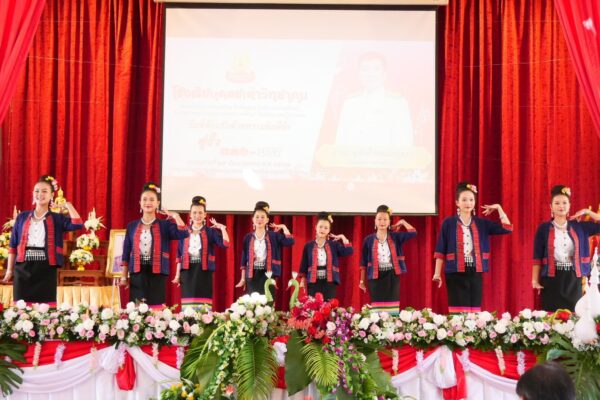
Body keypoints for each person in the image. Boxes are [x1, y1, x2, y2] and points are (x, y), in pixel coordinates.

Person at [3, 175, 83, 306]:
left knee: (46, 310)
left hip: (47, 268)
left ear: (52, 195)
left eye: (44, 191)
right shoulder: (22, 217)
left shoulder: (57, 218)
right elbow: (13, 245)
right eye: (37, 191)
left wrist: (67, 205)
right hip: (23, 268)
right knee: (22, 309)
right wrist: (9, 270)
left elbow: (78, 224)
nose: (40, 194)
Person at [433, 182, 512, 313]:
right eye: (464, 200)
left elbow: (507, 228)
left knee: (474, 310)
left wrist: (499, 208)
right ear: (457, 202)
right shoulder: (448, 223)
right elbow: (440, 250)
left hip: (475, 270)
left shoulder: (481, 223)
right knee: (457, 311)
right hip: (454, 272)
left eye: (471, 199)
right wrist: (437, 273)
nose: (468, 203)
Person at [119, 182, 189, 308]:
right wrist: (124, 277)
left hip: (158, 272)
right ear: (140, 203)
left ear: (157, 203)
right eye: (145, 199)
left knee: (156, 309)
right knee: (138, 310)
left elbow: (184, 233)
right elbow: (126, 252)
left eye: (152, 199)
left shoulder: (165, 225)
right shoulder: (132, 226)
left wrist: (175, 215)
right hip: (137, 273)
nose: (148, 202)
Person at [532, 185, 600, 311]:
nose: (561, 206)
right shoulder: (543, 229)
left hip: (574, 279)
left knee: (574, 315)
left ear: (569, 206)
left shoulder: (580, 227)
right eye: (557, 203)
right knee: (551, 316)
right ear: (551, 207)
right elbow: (537, 257)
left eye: (564, 203)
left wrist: (587, 212)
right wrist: (534, 281)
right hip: (551, 279)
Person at [336, 52, 413, 149]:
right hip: (354, 158)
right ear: (359, 74)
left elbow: (405, 143)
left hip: (388, 158)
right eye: (365, 69)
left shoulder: (398, 104)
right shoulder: (350, 103)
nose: (370, 74)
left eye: (376, 69)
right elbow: (340, 141)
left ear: (384, 74)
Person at [172, 196, 229, 310]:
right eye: (194, 212)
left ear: (205, 215)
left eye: (200, 213)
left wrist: (222, 229)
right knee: (188, 307)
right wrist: (177, 275)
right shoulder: (184, 232)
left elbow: (225, 244)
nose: (197, 215)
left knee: (203, 306)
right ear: (190, 215)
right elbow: (179, 255)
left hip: (204, 271)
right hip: (187, 272)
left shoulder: (210, 232)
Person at [359, 205, 417, 315]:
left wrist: (403, 222)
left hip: (392, 276)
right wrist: (362, 281)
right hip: (375, 277)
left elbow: (413, 233)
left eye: (385, 219)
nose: (382, 222)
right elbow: (363, 262)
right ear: (375, 221)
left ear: (389, 221)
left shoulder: (395, 237)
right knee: (377, 311)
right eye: (379, 219)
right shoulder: (368, 240)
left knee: (392, 310)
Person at [235, 201, 294, 296]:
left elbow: (290, 242)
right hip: (252, 274)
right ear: (252, 219)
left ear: (267, 220)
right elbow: (244, 260)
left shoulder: (274, 236)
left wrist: (284, 227)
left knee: (268, 300)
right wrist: (242, 279)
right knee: (253, 302)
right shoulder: (248, 237)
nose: (260, 219)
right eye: (257, 217)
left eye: (263, 217)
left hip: (268, 274)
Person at [298, 212, 353, 300]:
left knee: (329, 305)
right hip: (313, 282)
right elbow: (304, 264)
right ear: (315, 227)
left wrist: (343, 237)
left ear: (329, 230)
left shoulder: (334, 245)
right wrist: (303, 279)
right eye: (320, 227)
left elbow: (348, 251)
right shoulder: (308, 246)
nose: (322, 230)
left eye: (326, 228)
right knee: (314, 305)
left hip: (329, 282)